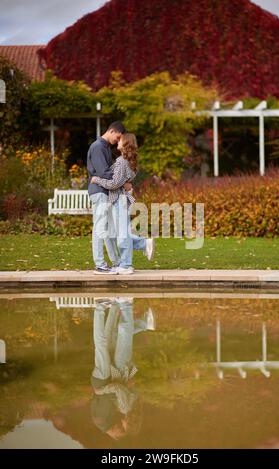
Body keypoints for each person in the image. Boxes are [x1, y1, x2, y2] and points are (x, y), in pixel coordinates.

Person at [90, 298, 154, 440]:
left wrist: (104, 390)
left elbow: (117, 391)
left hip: (113, 376)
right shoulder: (120, 412)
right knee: (116, 337)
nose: (119, 426)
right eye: (122, 428)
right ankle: (121, 305)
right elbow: (116, 391)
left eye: (120, 431)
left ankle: (113, 307)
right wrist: (103, 390)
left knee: (110, 339)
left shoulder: (110, 418)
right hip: (113, 375)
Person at [91, 133, 154, 274]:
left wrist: (97, 180)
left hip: (119, 200)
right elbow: (120, 182)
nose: (117, 142)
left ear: (125, 144)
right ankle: (143, 244)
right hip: (120, 200)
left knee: (121, 236)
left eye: (120, 140)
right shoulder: (127, 162)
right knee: (120, 234)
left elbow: (114, 183)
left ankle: (126, 265)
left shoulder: (121, 162)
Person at [87, 121, 130, 274]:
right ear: (111, 131)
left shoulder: (105, 147)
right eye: (117, 137)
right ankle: (99, 264)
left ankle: (116, 262)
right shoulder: (98, 147)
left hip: (105, 192)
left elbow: (110, 173)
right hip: (99, 191)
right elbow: (104, 173)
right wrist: (123, 181)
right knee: (100, 228)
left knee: (109, 230)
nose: (118, 141)